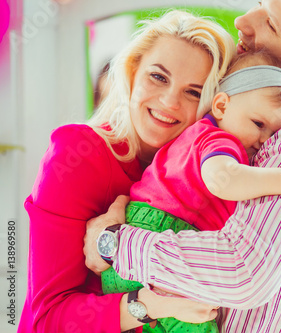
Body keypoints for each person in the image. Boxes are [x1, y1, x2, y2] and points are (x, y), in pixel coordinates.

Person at [85, 0, 281, 331]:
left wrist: (115, 243)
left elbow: (243, 271)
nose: (243, 21)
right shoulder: (241, 121)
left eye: (271, 24)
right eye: (259, 4)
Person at [18, 10, 236, 332]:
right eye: (158, 77)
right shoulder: (76, 155)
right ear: (132, 72)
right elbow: (47, 320)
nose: (169, 101)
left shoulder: (216, 175)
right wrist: (151, 304)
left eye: (194, 92)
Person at [101, 51, 281, 332]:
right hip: (161, 232)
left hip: (140, 239)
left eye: (274, 134)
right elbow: (223, 180)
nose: (264, 140)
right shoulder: (218, 141)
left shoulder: (199, 135)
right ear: (222, 106)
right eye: (259, 124)